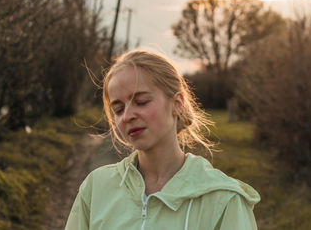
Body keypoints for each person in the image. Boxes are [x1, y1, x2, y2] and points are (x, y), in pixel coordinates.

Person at [65, 50, 260, 230]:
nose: (127, 116)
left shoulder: (225, 200)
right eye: (118, 109)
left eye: (141, 102)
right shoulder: (95, 188)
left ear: (177, 104)